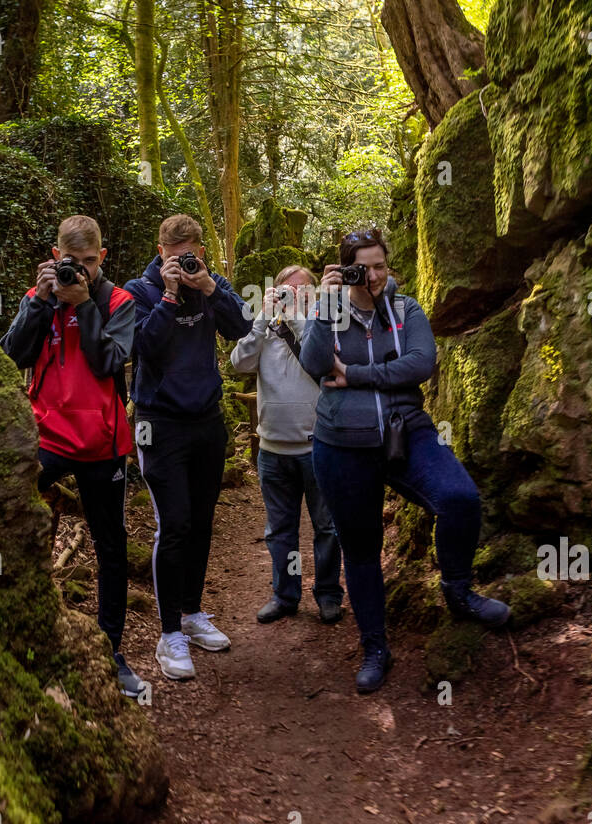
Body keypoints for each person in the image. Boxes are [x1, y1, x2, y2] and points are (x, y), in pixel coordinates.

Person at [300, 226, 510, 694]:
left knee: (459, 498)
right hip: (341, 445)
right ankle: (376, 646)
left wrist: (353, 374)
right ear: (345, 267)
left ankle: (459, 591)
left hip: (406, 432)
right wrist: (324, 306)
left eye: (380, 266)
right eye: (362, 267)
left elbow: (422, 363)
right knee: (361, 547)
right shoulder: (331, 311)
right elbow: (314, 364)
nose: (372, 276)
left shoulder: (405, 308)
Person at [0, 214, 146, 699]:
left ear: (101, 258)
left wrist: (85, 307)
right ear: (54, 256)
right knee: (3, 511)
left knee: (111, 545)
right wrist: (40, 303)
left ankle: (111, 650)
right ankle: (19, 625)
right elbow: (12, 357)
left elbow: (109, 362)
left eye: (87, 263)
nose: (78, 272)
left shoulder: (118, 300)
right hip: (47, 436)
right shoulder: (40, 296)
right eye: (70, 262)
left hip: (102, 444)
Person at [126, 214, 249, 681]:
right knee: (173, 524)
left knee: (200, 523)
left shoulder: (210, 283)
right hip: (159, 425)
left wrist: (210, 289)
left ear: (201, 250)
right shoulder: (139, 292)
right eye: (175, 257)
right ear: (161, 252)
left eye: (191, 255)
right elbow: (146, 349)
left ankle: (194, 613)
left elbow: (241, 328)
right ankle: (168, 633)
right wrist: (171, 294)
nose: (183, 263)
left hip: (207, 421)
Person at [230, 265, 343, 624]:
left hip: (319, 449)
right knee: (280, 531)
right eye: (286, 291)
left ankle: (327, 593)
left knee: (326, 527)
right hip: (273, 452)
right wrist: (263, 318)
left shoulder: (323, 332)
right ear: (273, 293)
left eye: (303, 291)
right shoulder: (264, 333)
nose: (293, 296)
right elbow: (238, 363)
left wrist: (296, 317)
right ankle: (285, 595)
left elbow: (323, 365)